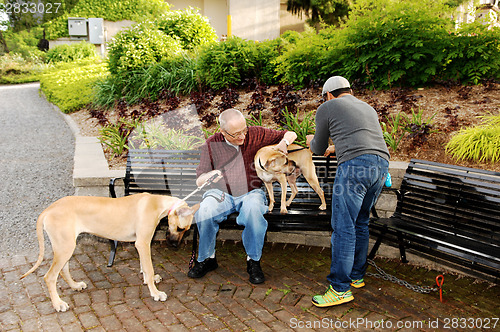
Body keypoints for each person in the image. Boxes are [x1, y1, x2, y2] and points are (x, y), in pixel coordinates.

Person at [306, 76, 390, 307]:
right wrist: (338, 147)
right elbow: (363, 139)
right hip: (381, 166)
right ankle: (356, 276)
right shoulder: (367, 107)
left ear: (329, 95)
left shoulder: (328, 106)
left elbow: (318, 148)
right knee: (361, 222)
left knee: (343, 226)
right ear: (349, 91)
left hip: (354, 167)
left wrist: (312, 140)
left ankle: (339, 289)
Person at [188, 108, 298, 284]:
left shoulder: (256, 134)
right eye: (236, 134)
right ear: (223, 132)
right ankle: (207, 258)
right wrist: (211, 174)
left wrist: (284, 142)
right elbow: (199, 180)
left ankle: (253, 261)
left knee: (254, 211)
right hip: (221, 193)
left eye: (244, 131)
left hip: (250, 192)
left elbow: (290, 133)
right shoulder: (212, 143)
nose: (242, 137)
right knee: (204, 211)